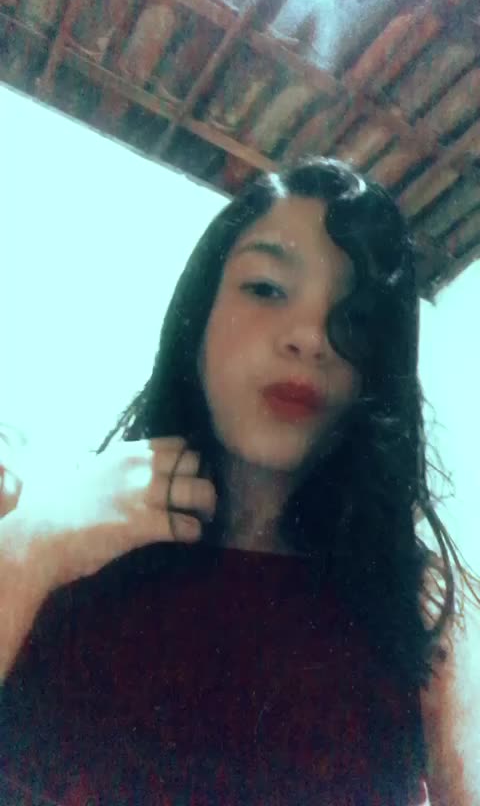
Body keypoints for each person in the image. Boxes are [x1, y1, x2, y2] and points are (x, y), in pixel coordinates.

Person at [0, 156, 477, 804]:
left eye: (357, 318)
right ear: (196, 317)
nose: (310, 338)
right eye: (267, 288)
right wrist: (29, 546)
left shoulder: (424, 606)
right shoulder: (45, 528)